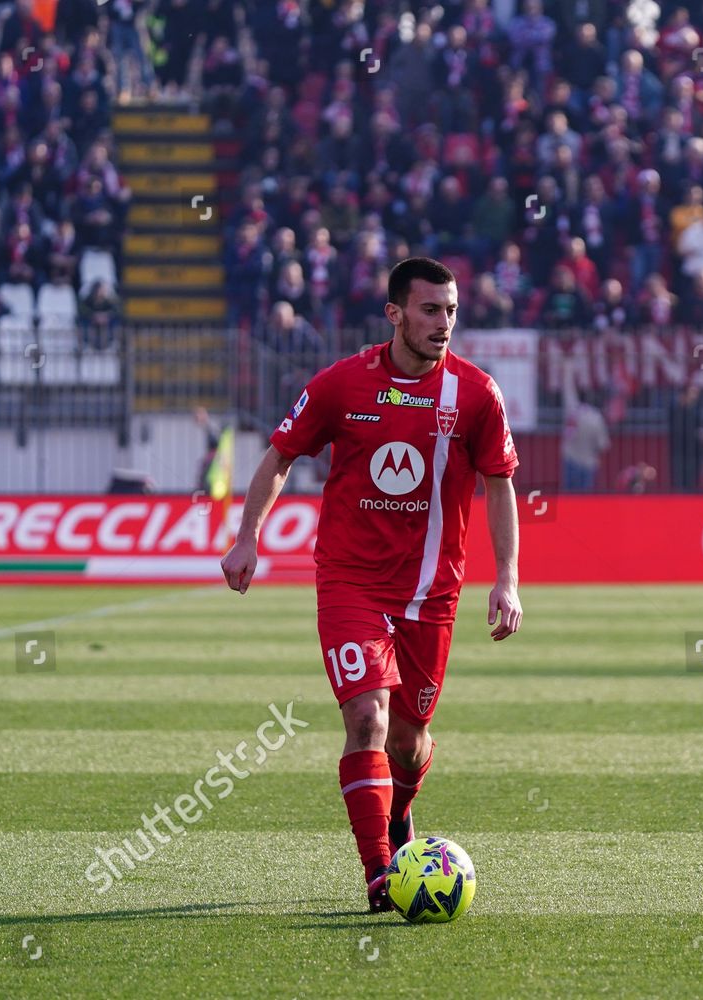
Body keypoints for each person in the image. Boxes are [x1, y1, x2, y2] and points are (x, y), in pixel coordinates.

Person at [220, 257, 522, 914]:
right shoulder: (342, 385)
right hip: (350, 584)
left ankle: (400, 815)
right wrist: (248, 537)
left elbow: (499, 485)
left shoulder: (476, 395)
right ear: (394, 314)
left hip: (432, 594)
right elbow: (280, 455)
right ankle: (380, 875)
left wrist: (507, 581)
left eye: (450, 311)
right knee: (366, 719)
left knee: (408, 743)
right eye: (429, 310)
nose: (443, 324)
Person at [560, 392, 609, 492]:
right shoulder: (597, 418)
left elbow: (567, 436)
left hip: (570, 461)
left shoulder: (573, 414)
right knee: (584, 500)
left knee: (568, 499)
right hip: (588, 464)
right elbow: (603, 445)